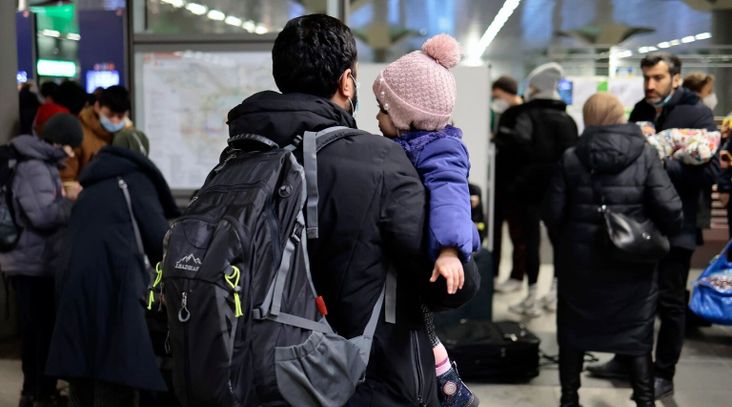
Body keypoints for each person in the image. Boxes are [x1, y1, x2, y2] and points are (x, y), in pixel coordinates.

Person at [225, 14, 478, 406]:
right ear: (346, 82)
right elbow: (454, 288)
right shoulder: (378, 161)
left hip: (258, 376)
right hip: (366, 383)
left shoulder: (238, 157)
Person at [587, 52, 718, 400]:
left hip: (679, 225)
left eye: (658, 78)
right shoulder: (642, 110)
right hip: (637, 223)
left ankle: (664, 374)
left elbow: (711, 172)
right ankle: (623, 357)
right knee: (631, 293)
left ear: (676, 78)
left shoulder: (698, 113)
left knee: (671, 303)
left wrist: (659, 162)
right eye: (646, 77)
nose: (650, 85)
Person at [543, 93, 683, 407]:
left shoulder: (571, 157)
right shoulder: (645, 154)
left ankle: (569, 399)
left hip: (579, 267)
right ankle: (645, 400)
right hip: (633, 265)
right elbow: (671, 209)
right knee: (635, 334)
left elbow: (552, 213)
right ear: (621, 117)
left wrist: (568, 243)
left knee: (574, 332)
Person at [372, 33, 480, 407]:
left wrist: (450, 250)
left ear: (406, 115)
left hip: (439, 251)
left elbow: (452, 196)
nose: (377, 116)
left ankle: (450, 387)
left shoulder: (440, 149)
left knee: (423, 324)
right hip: (415, 256)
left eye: (383, 109)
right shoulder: (408, 145)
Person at [46, 144, 179, 407]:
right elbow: (161, 240)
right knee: (116, 374)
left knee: (81, 373)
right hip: (115, 289)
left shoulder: (91, 186)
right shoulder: (136, 181)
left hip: (74, 288)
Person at [0, 113, 83, 407]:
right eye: (71, 147)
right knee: (41, 332)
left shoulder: (36, 162)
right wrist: (71, 201)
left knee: (38, 331)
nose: (71, 154)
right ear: (59, 141)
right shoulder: (35, 167)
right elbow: (44, 214)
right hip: (32, 262)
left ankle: (36, 391)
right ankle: (39, 393)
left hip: (32, 259)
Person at [493, 63, 579, 316]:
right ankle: (554, 292)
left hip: (525, 192)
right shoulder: (568, 120)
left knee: (530, 242)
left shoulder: (518, 116)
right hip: (559, 191)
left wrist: (512, 186)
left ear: (533, 88)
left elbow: (509, 154)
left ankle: (531, 295)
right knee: (558, 242)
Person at [489, 76, 530, 294]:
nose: (495, 100)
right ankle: (494, 274)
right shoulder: (504, 114)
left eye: (496, 95)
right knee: (496, 231)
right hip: (500, 184)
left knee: (518, 234)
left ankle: (517, 275)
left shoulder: (524, 114)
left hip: (517, 185)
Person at [62, 85, 132, 181]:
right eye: (110, 115)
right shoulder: (77, 132)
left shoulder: (127, 134)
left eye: (120, 116)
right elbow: (67, 177)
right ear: (97, 107)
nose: (115, 121)